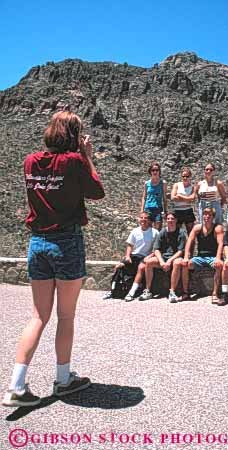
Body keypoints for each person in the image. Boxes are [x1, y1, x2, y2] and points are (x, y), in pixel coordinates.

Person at [2, 111, 105, 407]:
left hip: (38, 243)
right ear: (74, 135)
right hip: (67, 242)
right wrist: (87, 156)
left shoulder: (30, 161)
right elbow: (97, 191)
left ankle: (16, 385)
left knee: (38, 316)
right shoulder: (73, 162)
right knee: (66, 316)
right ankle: (63, 379)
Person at [103, 212, 159, 301]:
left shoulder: (155, 232)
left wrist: (150, 256)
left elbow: (156, 248)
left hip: (145, 256)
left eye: (145, 218)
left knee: (141, 268)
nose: (143, 220)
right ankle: (113, 290)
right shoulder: (135, 231)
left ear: (149, 220)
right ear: (139, 219)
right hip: (134, 256)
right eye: (141, 217)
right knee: (118, 267)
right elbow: (130, 245)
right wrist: (127, 256)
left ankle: (131, 292)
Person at [139, 211, 186, 303]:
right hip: (164, 257)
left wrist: (169, 261)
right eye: (168, 219)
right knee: (149, 262)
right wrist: (161, 262)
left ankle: (172, 291)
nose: (170, 221)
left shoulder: (181, 233)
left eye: (172, 219)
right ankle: (148, 290)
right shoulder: (162, 232)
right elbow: (156, 249)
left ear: (176, 220)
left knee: (177, 263)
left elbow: (180, 251)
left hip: (175, 257)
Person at [181, 208, 224, 304]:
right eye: (205, 214)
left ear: (213, 217)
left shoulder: (217, 228)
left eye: (209, 215)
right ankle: (186, 292)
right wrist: (186, 256)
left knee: (219, 266)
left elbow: (221, 244)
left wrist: (218, 258)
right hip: (200, 257)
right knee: (185, 264)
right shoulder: (197, 228)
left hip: (213, 256)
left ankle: (215, 294)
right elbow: (189, 241)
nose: (207, 217)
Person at [141, 161, 167, 230]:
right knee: (147, 229)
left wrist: (165, 210)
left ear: (159, 171)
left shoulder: (163, 183)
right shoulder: (147, 183)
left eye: (157, 170)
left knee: (158, 229)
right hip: (148, 209)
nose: (155, 172)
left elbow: (164, 198)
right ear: (150, 171)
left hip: (158, 208)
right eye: (153, 170)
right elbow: (144, 197)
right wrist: (142, 210)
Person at [171, 167, 196, 235]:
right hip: (178, 211)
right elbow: (173, 197)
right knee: (176, 231)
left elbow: (192, 198)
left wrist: (180, 196)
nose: (185, 178)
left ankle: (191, 245)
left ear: (190, 177)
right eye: (183, 176)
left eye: (187, 176)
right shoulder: (177, 185)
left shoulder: (193, 187)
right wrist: (187, 199)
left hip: (188, 211)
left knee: (190, 232)